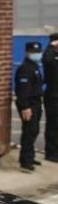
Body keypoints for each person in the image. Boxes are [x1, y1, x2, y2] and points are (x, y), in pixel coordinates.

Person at [15, 41, 44, 172]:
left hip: (36, 102)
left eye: (38, 52)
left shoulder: (35, 66)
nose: (36, 54)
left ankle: (30, 157)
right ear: (27, 52)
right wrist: (25, 107)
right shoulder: (24, 68)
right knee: (29, 131)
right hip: (28, 104)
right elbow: (22, 90)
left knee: (34, 131)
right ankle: (25, 161)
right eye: (33, 52)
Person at [42, 33, 58, 162]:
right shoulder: (49, 55)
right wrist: (50, 47)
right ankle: (51, 152)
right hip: (53, 96)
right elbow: (46, 60)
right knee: (53, 125)